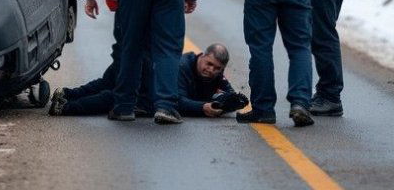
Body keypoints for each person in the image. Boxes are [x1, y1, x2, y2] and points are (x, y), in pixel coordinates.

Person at [50, 42, 248, 117]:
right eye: (209, 64)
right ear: (202, 56)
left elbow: (230, 95)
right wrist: (203, 107)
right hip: (138, 68)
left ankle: (66, 95)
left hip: (138, 63)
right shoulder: (180, 67)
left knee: (105, 86)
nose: (211, 70)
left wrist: (230, 102)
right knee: (111, 95)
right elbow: (176, 100)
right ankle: (65, 107)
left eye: (217, 69)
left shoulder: (216, 77)